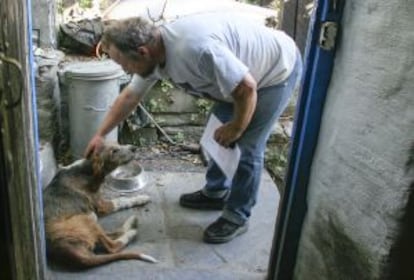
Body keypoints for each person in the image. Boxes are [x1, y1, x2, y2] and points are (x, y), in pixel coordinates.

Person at [84, 12, 302, 244]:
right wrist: (100, 134)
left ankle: (236, 216)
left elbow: (247, 88)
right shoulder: (154, 54)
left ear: (142, 52)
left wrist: (237, 128)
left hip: (275, 73)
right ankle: (216, 192)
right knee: (217, 131)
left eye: (123, 63)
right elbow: (129, 97)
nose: (125, 70)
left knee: (247, 148)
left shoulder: (195, 50)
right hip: (241, 80)